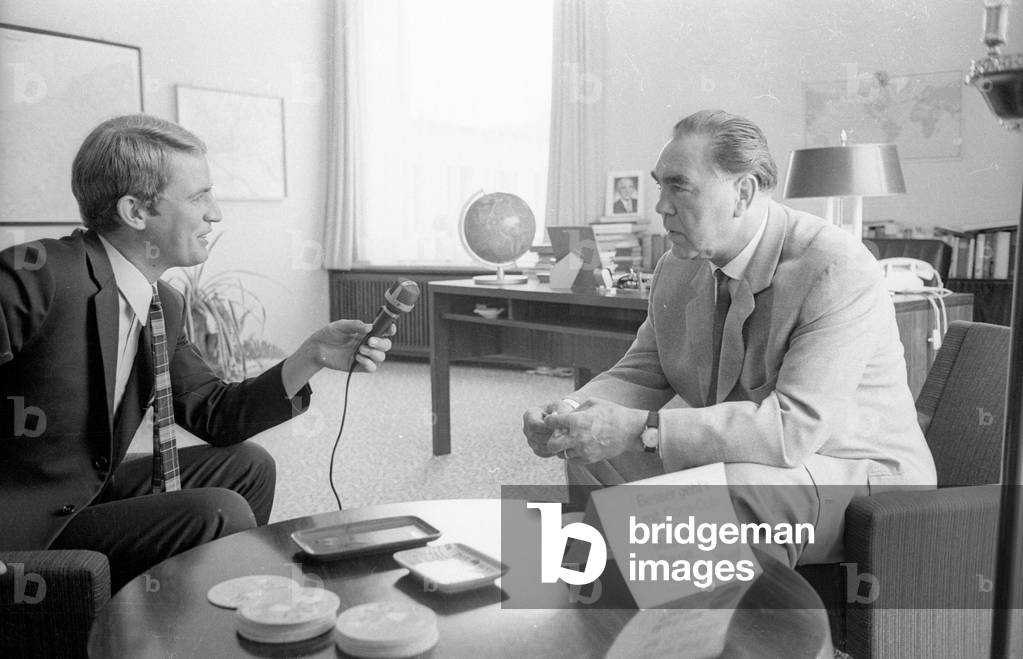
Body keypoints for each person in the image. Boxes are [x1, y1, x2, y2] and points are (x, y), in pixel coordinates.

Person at [523, 109, 936, 567]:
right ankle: (615, 603)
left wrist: (642, 429)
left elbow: (793, 430)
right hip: (756, 457)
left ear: (742, 193)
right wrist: (571, 414)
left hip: (857, 470)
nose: (660, 205)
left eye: (678, 186)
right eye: (660, 185)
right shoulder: (677, 266)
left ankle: (711, 632)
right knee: (588, 450)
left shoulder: (836, 268)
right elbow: (641, 369)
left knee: (735, 493)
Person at [0, 114, 392, 590]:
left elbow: (215, 412)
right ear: (136, 212)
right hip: (24, 526)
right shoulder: (34, 276)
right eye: (198, 195)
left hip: (86, 491)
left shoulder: (161, 302)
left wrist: (312, 356)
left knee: (248, 467)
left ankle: (184, 617)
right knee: (217, 511)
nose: (216, 213)